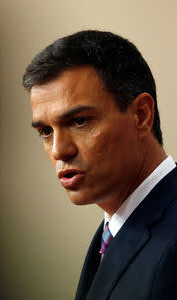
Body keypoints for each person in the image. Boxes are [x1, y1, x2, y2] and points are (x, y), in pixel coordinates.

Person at [23, 30, 177, 299]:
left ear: (141, 115)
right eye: (46, 131)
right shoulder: (115, 227)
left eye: (79, 121)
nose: (59, 150)